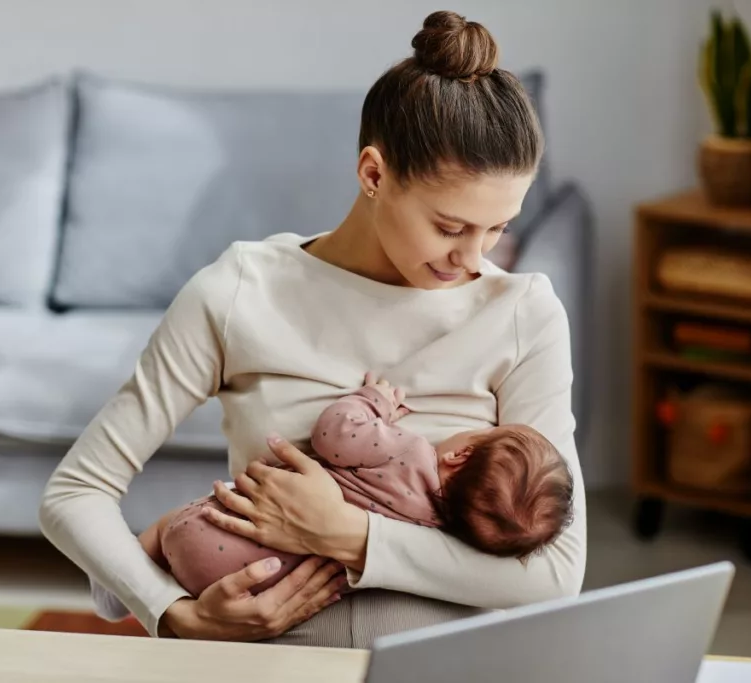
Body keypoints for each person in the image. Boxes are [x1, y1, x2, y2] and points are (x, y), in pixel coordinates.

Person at [39, 10, 587, 648]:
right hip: (270, 654)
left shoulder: (523, 314)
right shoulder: (241, 291)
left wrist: (349, 535)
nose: (475, 258)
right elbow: (76, 491)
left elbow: (554, 573)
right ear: (373, 174)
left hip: (439, 663)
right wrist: (172, 614)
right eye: (450, 226)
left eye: (497, 228)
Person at [89, 373, 574, 609]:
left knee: (170, 527)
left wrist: (373, 402)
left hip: (215, 527)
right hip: (259, 581)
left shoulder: (409, 451)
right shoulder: (436, 532)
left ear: (460, 456)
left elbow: (334, 435)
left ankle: (124, 581)